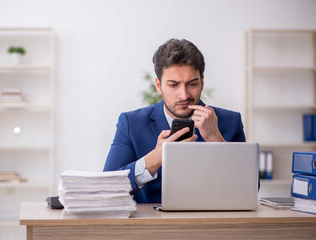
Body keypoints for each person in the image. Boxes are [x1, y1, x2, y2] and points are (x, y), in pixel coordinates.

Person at [103, 39, 246, 203]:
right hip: (153, 225)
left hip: (213, 224)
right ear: (158, 85)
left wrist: (215, 139)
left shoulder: (231, 122)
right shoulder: (130, 123)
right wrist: (155, 158)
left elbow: (250, 188)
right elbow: (107, 187)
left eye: (192, 84)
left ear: (202, 82)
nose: (184, 95)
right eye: (173, 85)